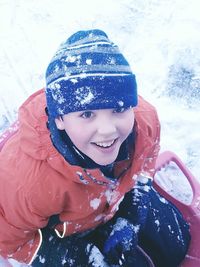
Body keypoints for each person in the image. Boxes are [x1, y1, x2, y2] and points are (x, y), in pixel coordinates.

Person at [0, 29, 190, 267]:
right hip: (65, 234)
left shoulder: (145, 121)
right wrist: (70, 256)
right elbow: (9, 238)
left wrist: (132, 210)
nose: (107, 130)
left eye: (119, 109)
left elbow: (146, 160)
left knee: (175, 244)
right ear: (59, 119)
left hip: (112, 201)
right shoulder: (28, 183)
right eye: (87, 114)